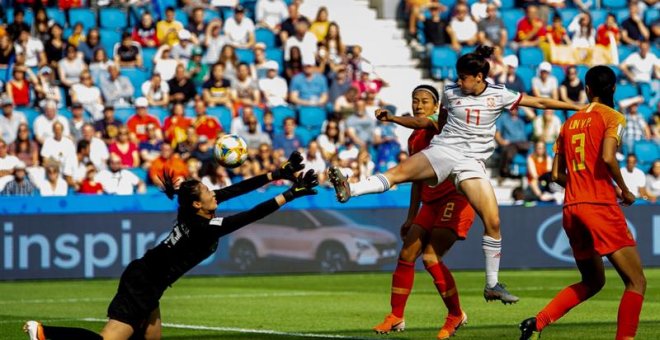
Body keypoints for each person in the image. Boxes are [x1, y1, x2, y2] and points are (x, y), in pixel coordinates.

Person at [328, 46, 582, 303]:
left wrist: (576, 106)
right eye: (458, 76)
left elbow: (539, 101)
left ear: (479, 77)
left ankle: (492, 284)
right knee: (398, 173)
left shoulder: (499, 94)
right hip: (444, 150)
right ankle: (351, 190)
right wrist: (395, 119)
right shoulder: (450, 93)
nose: (458, 81)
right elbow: (436, 122)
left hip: (471, 163)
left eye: (464, 77)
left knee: (493, 221)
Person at [23, 152, 317, 340]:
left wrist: (277, 174)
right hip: (143, 283)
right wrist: (291, 194)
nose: (215, 195)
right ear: (198, 204)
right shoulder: (203, 228)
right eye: (208, 193)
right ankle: (44, 333)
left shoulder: (195, 211)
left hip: (148, 282)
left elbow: (235, 190)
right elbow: (250, 215)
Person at [519, 65, 646, 340]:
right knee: (636, 282)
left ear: (587, 90)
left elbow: (555, 175)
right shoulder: (613, 117)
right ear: (613, 89)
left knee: (593, 281)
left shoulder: (568, 123)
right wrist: (624, 191)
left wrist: (579, 186)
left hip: (571, 209)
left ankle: (537, 323)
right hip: (599, 207)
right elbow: (608, 158)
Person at [371, 85, 474, 339]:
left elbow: (420, 121)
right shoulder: (413, 139)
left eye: (424, 100)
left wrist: (393, 117)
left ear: (436, 106)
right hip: (429, 203)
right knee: (406, 253)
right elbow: (417, 179)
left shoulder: (440, 126)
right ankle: (396, 316)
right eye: (415, 100)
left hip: (455, 199)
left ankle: (456, 314)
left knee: (430, 258)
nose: (419, 104)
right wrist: (410, 216)